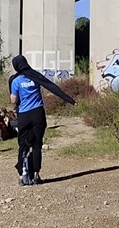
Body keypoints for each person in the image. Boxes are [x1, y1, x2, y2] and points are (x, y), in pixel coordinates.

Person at [10, 54, 76, 186]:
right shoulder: (35, 76)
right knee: (37, 145)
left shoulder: (15, 80)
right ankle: (36, 175)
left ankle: (21, 176)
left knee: (23, 146)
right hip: (38, 114)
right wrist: (69, 100)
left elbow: (14, 100)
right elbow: (51, 86)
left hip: (24, 115)